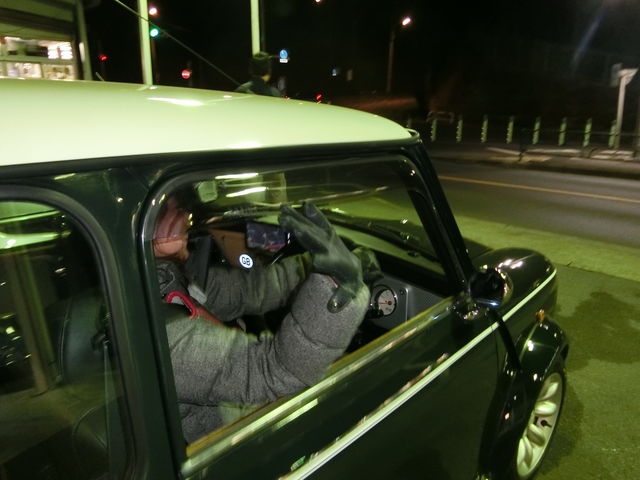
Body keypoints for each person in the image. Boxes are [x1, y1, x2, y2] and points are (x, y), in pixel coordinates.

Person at [153, 199, 373, 443]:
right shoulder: (155, 334)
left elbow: (252, 289)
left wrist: (319, 266)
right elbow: (274, 371)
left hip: (245, 417)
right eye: (171, 208)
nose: (185, 214)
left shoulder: (162, 280)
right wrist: (335, 288)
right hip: (237, 444)